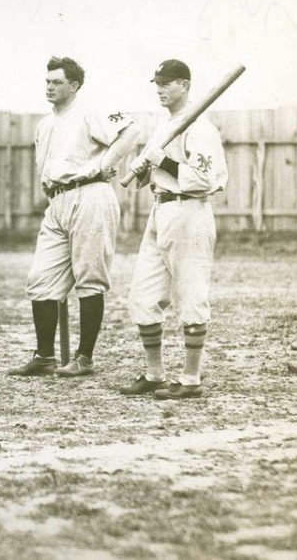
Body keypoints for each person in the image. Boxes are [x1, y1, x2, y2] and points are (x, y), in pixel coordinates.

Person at [9, 56, 139, 378]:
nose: (50, 87)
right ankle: (44, 356)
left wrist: (103, 163)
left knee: (89, 277)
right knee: (40, 280)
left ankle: (84, 358)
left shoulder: (91, 110)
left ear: (74, 85)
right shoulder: (45, 124)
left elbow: (130, 130)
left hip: (91, 194)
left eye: (57, 82)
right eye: (48, 81)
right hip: (58, 201)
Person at [122, 59, 228, 399]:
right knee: (143, 295)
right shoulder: (165, 125)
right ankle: (155, 374)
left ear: (184, 85)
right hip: (160, 210)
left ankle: (191, 379)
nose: (160, 88)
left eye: (167, 82)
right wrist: (141, 168)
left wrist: (161, 161)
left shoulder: (201, 129)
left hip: (190, 212)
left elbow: (202, 180)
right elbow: (154, 171)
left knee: (192, 295)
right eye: (157, 82)